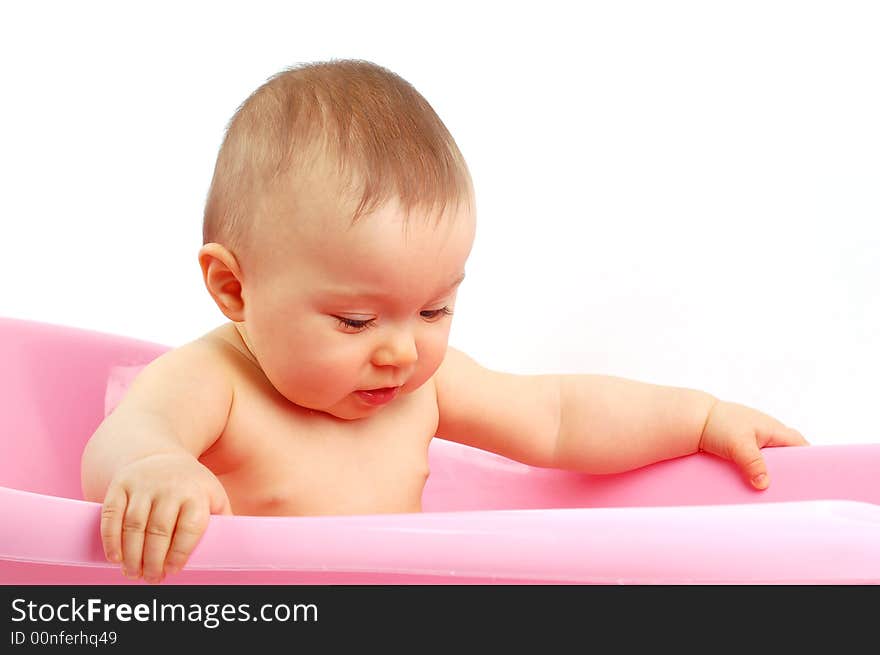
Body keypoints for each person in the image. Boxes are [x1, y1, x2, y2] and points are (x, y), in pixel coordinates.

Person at [81, 59, 809, 585]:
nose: (401, 348)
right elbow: (127, 435)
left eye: (434, 309)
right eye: (356, 319)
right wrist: (154, 470)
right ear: (234, 287)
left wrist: (701, 418)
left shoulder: (422, 388)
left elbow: (556, 415)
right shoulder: (216, 381)